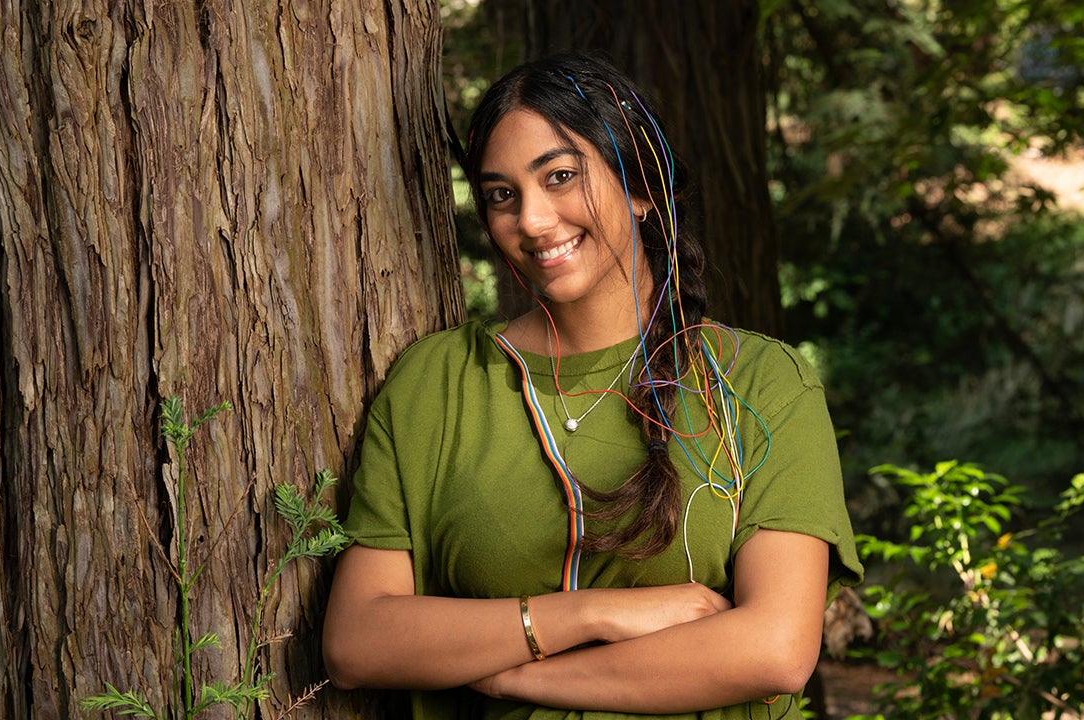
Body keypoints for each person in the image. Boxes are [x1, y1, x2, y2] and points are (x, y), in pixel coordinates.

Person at [322, 51, 863, 719]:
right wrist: (591, 615)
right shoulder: (437, 383)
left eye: (560, 177)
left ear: (640, 190)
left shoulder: (760, 383)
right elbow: (357, 640)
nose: (533, 220)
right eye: (501, 195)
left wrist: (512, 677)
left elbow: (774, 649)